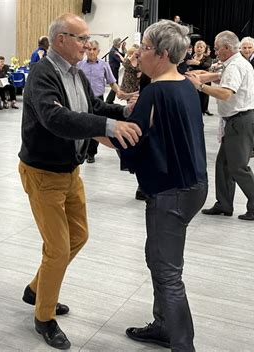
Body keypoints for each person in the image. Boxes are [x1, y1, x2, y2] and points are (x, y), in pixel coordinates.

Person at [17, 13, 142, 349]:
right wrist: (107, 128)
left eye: (87, 38)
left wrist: (124, 112)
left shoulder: (76, 73)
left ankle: (36, 290)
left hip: (69, 170)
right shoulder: (43, 74)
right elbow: (55, 118)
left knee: (79, 235)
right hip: (42, 173)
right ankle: (44, 317)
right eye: (81, 38)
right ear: (61, 39)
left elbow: (94, 106)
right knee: (57, 249)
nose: (88, 44)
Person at [97, 19, 207, 352]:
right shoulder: (185, 85)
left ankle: (182, 345)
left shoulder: (156, 91)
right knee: (158, 257)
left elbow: (129, 139)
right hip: (192, 185)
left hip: (171, 190)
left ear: (160, 53)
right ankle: (163, 325)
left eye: (143, 48)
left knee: (167, 271)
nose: (137, 56)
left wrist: (86, 128)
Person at [187, 31, 254, 221]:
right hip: (237, 121)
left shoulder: (235, 66)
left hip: (240, 121)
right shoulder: (234, 64)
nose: (215, 51)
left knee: (238, 166)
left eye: (216, 48)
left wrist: (199, 86)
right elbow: (216, 76)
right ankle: (224, 203)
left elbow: (225, 93)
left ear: (226, 48)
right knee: (223, 164)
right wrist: (198, 76)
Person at [77, 40, 129, 163]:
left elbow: (111, 81)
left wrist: (119, 92)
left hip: (98, 100)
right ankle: (82, 150)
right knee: (82, 124)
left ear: (98, 51)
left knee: (95, 126)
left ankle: (91, 153)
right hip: (82, 99)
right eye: (89, 49)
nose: (91, 52)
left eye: (94, 49)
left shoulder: (104, 65)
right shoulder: (80, 65)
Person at [187, 40, 212, 115]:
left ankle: (204, 109)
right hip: (192, 79)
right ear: (194, 48)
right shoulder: (191, 57)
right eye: (197, 47)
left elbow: (207, 65)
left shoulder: (207, 58)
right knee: (193, 95)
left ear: (204, 49)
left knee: (204, 96)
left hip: (205, 80)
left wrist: (197, 63)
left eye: (201, 47)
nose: (199, 48)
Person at [105, 38, 126, 103]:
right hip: (113, 69)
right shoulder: (113, 51)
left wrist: (123, 48)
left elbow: (122, 55)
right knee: (115, 84)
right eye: (120, 43)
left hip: (115, 68)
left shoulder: (115, 50)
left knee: (115, 84)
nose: (120, 44)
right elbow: (120, 60)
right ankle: (109, 100)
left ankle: (110, 100)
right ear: (118, 43)